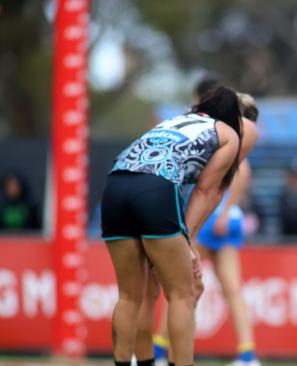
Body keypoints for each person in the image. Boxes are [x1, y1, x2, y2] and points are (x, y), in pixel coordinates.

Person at [102, 85, 243, 366]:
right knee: (183, 293)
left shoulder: (173, 120)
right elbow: (205, 191)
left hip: (115, 184)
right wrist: (186, 240)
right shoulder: (226, 133)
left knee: (129, 295)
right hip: (156, 185)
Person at [194, 92, 260, 366]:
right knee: (232, 290)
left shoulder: (229, 139)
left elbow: (237, 177)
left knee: (183, 288)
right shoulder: (241, 144)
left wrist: (220, 213)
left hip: (214, 220)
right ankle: (248, 354)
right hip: (228, 220)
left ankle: (160, 351)